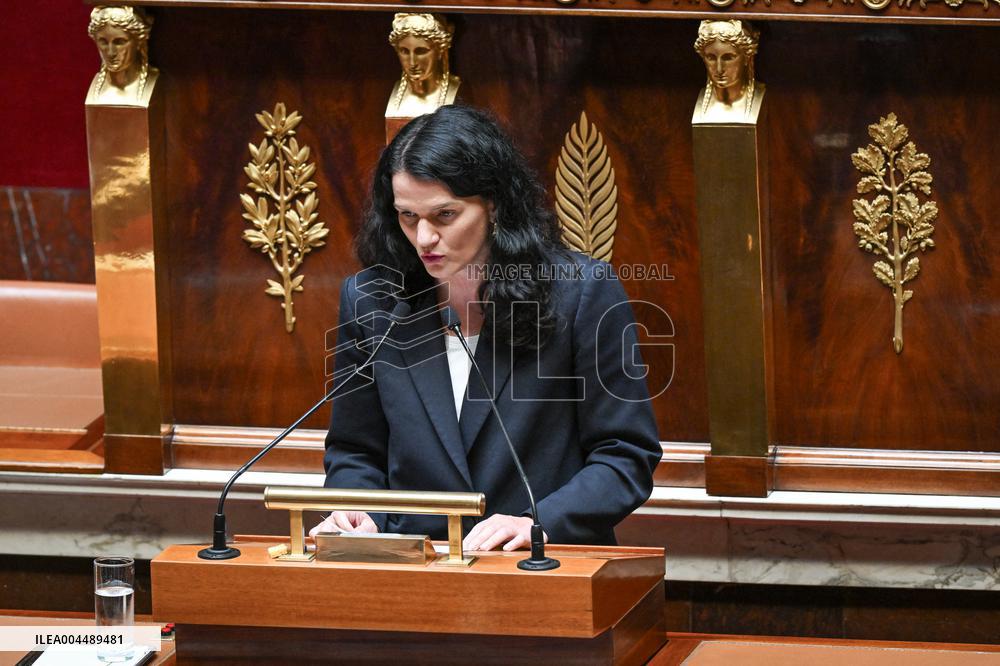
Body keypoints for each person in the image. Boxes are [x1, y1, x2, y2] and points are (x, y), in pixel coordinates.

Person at [312, 105, 661, 551]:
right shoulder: (372, 300)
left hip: (541, 566)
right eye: (407, 216)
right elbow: (355, 451)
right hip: (413, 570)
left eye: (444, 216)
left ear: (493, 205)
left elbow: (625, 456)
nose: (423, 239)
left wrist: (538, 523)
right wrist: (358, 510)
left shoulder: (582, 294)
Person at [385, 13, 461, 119]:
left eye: (421, 51)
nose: (412, 62)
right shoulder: (396, 94)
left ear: (440, 51)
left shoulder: (455, 89)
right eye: (404, 51)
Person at [692, 20, 764, 124]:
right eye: (711, 57)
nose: (719, 69)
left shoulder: (760, 96)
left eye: (728, 58)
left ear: (747, 57)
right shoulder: (699, 102)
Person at [87, 6, 158, 105]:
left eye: (119, 42)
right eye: (103, 42)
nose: (111, 52)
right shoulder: (96, 89)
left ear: (139, 42)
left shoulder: (153, 82)